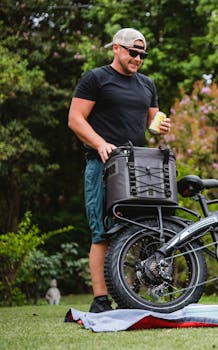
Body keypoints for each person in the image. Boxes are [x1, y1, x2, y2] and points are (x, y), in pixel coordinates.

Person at [68, 28, 171, 313]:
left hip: (137, 168)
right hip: (102, 167)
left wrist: (160, 126)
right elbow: (75, 119)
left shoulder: (147, 84)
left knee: (140, 230)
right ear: (116, 48)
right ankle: (101, 300)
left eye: (142, 54)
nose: (137, 58)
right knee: (101, 232)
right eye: (132, 52)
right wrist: (100, 144)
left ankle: (133, 295)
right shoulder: (96, 79)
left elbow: (151, 123)